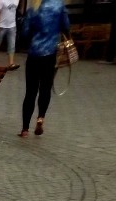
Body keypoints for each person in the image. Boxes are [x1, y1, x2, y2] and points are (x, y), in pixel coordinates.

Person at [18, 0, 70, 137]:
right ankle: (40, 118)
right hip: (50, 54)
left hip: (34, 53)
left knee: (30, 91)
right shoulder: (59, 5)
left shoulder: (33, 7)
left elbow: (25, 32)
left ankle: (24, 129)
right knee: (45, 88)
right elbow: (66, 26)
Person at [0, 0, 20, 69]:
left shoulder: (17, 0)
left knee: (12, 45)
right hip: (2, 26)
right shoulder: (2, 1)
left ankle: (11, 63)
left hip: (12, 26)